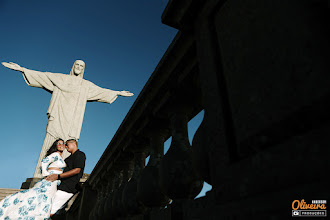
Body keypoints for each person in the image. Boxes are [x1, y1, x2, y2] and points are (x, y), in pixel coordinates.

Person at [1, 60, 133, 178]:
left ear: (83, 70)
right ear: (73, 66)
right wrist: (23, 69)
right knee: (51, 142)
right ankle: (40, 174)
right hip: (58, 116)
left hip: (72, 120)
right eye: (77, 65)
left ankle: (61, 174)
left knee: (69, 145)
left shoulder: (85, 85)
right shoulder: (61, 79)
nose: (79, 67)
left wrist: (117, 93)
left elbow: (100, 91)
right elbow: (43, 76)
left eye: (81, 66)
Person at [0, 139, 66, 220]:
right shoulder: (55, 154)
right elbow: (44, 161)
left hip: (55, 181)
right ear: (55, 146)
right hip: (50, 181)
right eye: (59, 143)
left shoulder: (60, 157)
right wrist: (46, 174)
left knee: (44, 198)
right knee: (40, 196)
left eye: (63, 144)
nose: (61, 145)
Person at [46, 139, 86, 216]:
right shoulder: (67, 159)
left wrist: (58, 176)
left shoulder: (80, 154)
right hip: (61, 186)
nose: (66, 146)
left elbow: (77, 170)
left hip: (69, 187)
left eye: (67, 144)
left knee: (50, 211)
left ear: (74, 144)